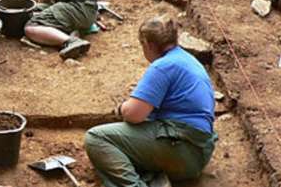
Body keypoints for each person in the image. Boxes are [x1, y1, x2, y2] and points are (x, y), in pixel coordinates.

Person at [84, 16, 218, 187]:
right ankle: (155, 178)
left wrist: (122, 108)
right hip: (198, 153)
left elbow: (134, 115)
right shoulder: (188, 60)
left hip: (181, 147)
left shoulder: (162, 66)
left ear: (147, 44)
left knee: (96, 138)